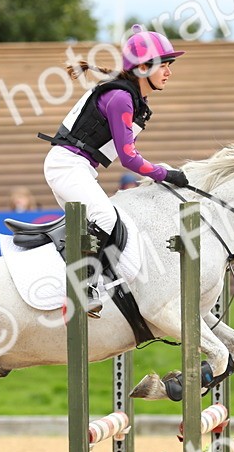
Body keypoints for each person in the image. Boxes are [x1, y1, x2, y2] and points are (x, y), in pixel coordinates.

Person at [37, 25, 190, 312]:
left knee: (98, 224)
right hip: (67, 167)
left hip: (76, 167)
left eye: (170, 65)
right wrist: (165, 174)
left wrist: (162, 171)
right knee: (106, 218)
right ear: (143, 68)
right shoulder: (121, 98)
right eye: (164, 66)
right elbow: (129, 159)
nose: (169, 72)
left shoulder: (133, 97)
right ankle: (82, 290)